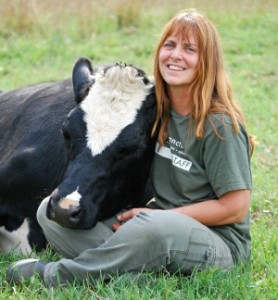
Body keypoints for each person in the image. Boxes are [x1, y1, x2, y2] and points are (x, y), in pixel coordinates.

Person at [7, 8, 254, 287]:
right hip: (157, 229)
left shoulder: (218, 124)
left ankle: (59, 275)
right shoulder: (156, 111)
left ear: (206, 62)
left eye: (189, 49)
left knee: (150, 230)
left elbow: (235, 207)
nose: (175, 55)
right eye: (169, 45)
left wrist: (160, 217)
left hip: (218, 243)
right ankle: (134, 273)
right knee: (47, 214)